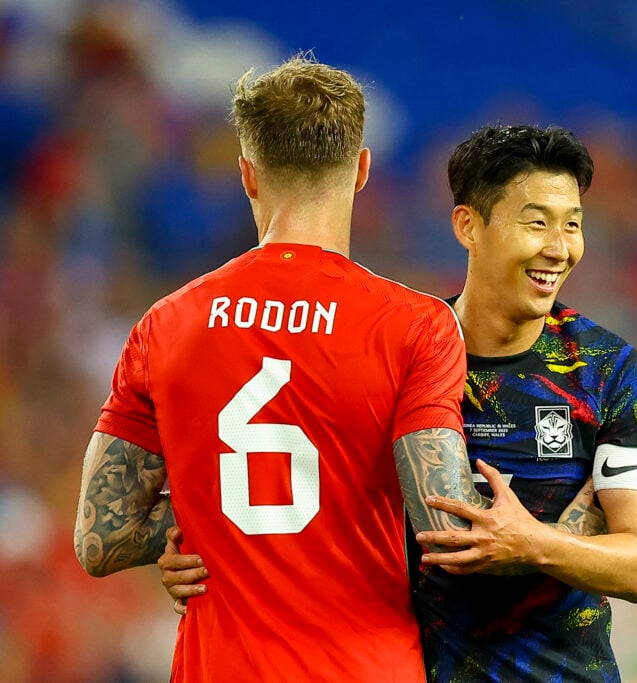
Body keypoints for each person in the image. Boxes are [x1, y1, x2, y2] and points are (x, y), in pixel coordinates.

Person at [161, 124, 637, 683]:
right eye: (536, 222)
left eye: (572, 224)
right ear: (468, 225)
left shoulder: (610, 371)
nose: (559, 247)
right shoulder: (398, 349)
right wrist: (205, 549)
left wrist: (533, 544)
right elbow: (301, 488)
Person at [73, 55, 488, 683]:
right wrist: (572, 526)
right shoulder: (415, 325)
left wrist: (211, 516)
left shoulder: (167, 324)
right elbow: (447, 527)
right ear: (362, 170)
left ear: (246, 174)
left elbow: (99, 538)